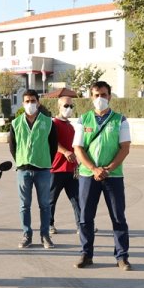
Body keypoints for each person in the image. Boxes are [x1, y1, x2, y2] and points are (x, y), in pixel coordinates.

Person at [73, 81, 133, 270]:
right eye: (97, 95)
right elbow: (78, 148)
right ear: (91, 97)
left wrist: (107, 168)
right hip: (87, 175)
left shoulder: (120, 120)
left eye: (104, 95)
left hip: (113, 176)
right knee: (85, 217)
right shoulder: (83, 120)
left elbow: (125, 148)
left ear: (110, 96)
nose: (100, 99)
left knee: (118, 217)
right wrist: (93, 169)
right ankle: (86, 254)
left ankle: (122, 256)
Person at [8, 89, 58, 249]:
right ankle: (27, 235)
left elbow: (53, 146)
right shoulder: (15, 123)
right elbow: (13, 147)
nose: (30, 104)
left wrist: (44, 159)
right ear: (23, 104)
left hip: (43, 169)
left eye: (33, 101)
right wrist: (21, 161)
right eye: (27, 101)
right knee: (24, 205)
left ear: (38, 102)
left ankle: (45, 236)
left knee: (44, 204)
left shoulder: (48, 122)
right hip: (23, 169)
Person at [49, 95, 81, 236]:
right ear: (59, 107)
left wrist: (78, 163)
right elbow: (52, 142)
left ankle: (82, 226)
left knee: (77, 199)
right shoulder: (53, 124)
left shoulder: (71, 126)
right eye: (66, 106)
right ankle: (49, 225)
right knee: (50, 200)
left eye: (71, 106)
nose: (69, 109)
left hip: (71, 170)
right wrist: (64, 151)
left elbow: (75, 147)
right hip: (56, 169)